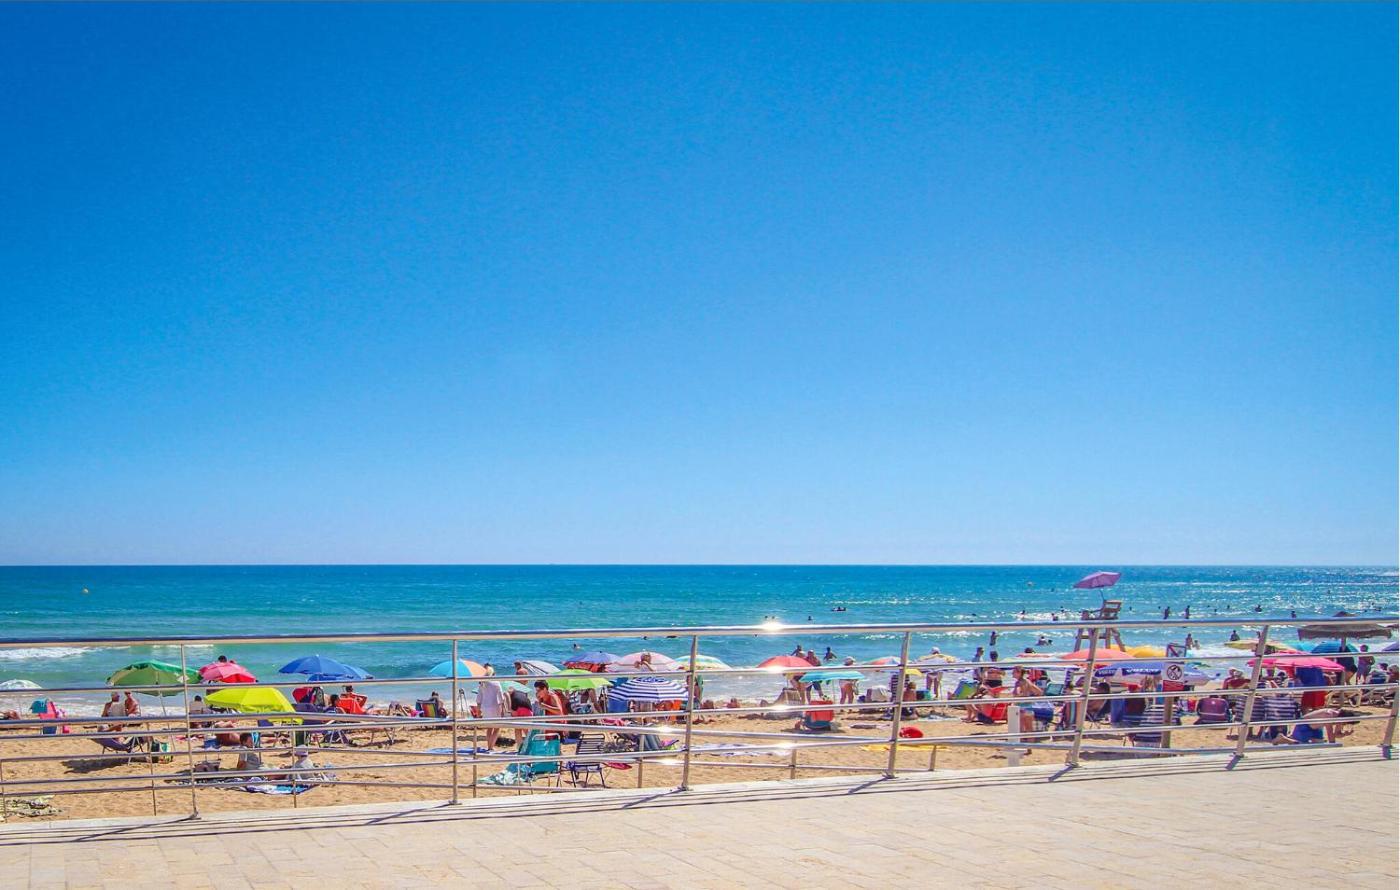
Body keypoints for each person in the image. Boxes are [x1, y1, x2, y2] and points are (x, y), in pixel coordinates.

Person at [477, 668, 508, 749]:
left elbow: (479, 698)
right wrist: (503, 709)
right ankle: (491, 747)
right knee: (497, 728)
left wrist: (478, 710)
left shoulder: (482, 683)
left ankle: (489, 746)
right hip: (495, 707)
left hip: (485, 707)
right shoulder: (496, 683)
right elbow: (501, 698)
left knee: (489, 728)